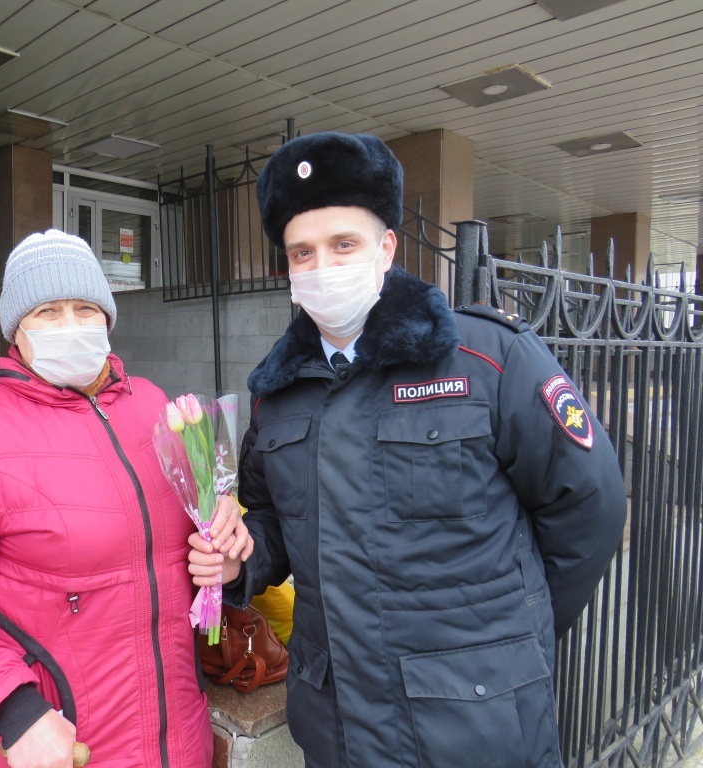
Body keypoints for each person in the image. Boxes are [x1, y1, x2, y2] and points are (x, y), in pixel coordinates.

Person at [188, 132, 628, 768]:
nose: (323, 268)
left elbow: (590, 506)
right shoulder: (277, 394)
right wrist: (239, 561)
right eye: (302, 253)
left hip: (478, 729)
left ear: (386, 247)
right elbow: (271, 522)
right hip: (338, 730)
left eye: (344, 245)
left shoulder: (486, 359)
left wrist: (511, 641)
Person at [0, 230, 249, 768]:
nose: (71, 325)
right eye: (48, 312)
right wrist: (16, 710)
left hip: (177, 741)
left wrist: (225, 555)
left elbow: (190, 540)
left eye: (85, 308)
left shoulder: (152, 404)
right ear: (17, 330)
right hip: (60, 747)